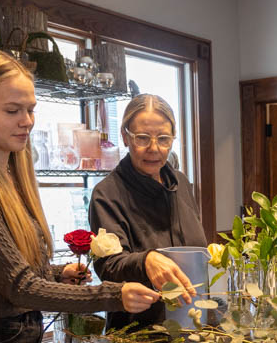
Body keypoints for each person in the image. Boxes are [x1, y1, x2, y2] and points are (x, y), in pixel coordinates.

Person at [0, 49, 160, 343]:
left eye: (31, 109)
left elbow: (2, 274)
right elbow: (18, 288)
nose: (27, 121)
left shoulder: (8, 176)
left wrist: (54, 274)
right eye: (12, 110)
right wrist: (113, 295)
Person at [89, 94, 207, 330]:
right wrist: (146, 261)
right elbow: (108, 267)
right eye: (142, 138)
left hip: (193, 323)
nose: (154, 148)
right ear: (125, 137)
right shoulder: (107, 194)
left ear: (173, 140)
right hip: (138, 335)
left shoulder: (181, 184)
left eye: (163, 139)